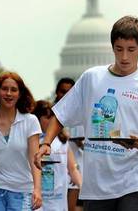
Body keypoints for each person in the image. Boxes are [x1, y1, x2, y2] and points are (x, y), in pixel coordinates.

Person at [35, 15, 138, 211]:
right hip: (97, 187)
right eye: (119, 49)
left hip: (134, 184)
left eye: (131, 50)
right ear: (112, 47)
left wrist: (137, 143)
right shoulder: (92, 78)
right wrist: (46, 143)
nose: (124, 57)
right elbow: (61, 114)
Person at [0, 71, 42, 211]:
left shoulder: (30, 121)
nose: (8, 94)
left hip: (21, 190)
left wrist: (37, 189)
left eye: (13, 90)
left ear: (20, 94)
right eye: (4, 89)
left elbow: (35, 159)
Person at [33, 100, 82, 211]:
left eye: (52, 118)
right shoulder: (33, 140)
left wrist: (82, 186)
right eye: (46, 117)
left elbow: (72, 168)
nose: (50, 121)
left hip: (58, 200)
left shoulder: (62, 141)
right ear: (37, 118)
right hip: (38, 199)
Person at [54, 77, 84, 211]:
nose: (65, 95)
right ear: (56, 93)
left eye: (69, 92)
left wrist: (80, 142)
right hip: (53, 170)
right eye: (62, 91)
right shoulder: (49, 114)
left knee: (70, 208)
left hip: (74, 167)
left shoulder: (81, 113)